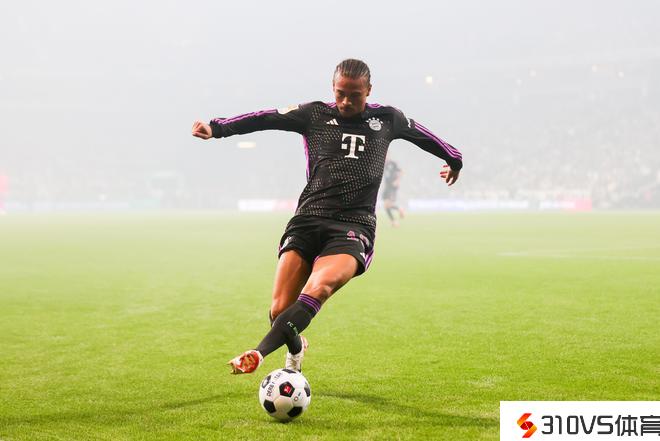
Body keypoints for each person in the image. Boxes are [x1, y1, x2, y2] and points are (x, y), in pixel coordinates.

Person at [191, 59, 462, 374]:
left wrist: (454, 160)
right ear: (332, 88)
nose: (346, 101)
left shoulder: (388, 119)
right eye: (340, 93)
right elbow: (266, 117)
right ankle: (296, 350)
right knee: (279, 311)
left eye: (354, 95)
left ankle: (258, 354)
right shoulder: (314, 114)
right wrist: (217, 128)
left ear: (369, 91)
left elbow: (426, 137)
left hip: (353, 227)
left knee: (318, 288)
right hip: (308, 220)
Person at [382, 158, 405, 227]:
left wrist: (397, 181)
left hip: (392, 187)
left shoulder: (392, 163)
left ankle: (394, 220)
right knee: (386, 206)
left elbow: (401, 171)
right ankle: (394, 219)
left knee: (387, 204)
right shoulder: (383, 164)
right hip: (387, 186)